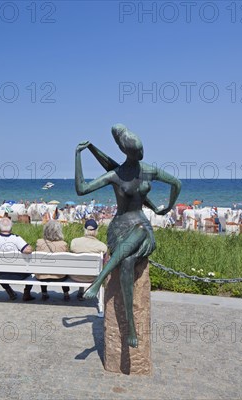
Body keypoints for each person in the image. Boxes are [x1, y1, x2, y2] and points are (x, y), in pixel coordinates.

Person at [75, 124, 181, 348]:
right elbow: (82, 189)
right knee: (127, 262)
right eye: (136, 153)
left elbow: (176, 184)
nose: (139, 156)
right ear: (126, 152)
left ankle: (99, 281)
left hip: (142, 226)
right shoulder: (115, 174)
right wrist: (78, 156)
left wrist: (166, 208)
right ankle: (130, 328)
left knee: (140, 233)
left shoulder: (148, 170)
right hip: (120, 228)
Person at [69, 219, 108, 300]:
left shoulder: (74, 242)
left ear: (85, 230)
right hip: (92, 277)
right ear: (96, 231)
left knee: (80, 265)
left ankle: (81, 291)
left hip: (75, 276)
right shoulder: (102, 246)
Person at [35, 220, 71, 301]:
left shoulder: (39, 242)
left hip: (42, 276)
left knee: (43, 268)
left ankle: (44, 293)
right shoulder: (63, 244)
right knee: (63, 268)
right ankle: (66, 293)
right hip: (59, 276)